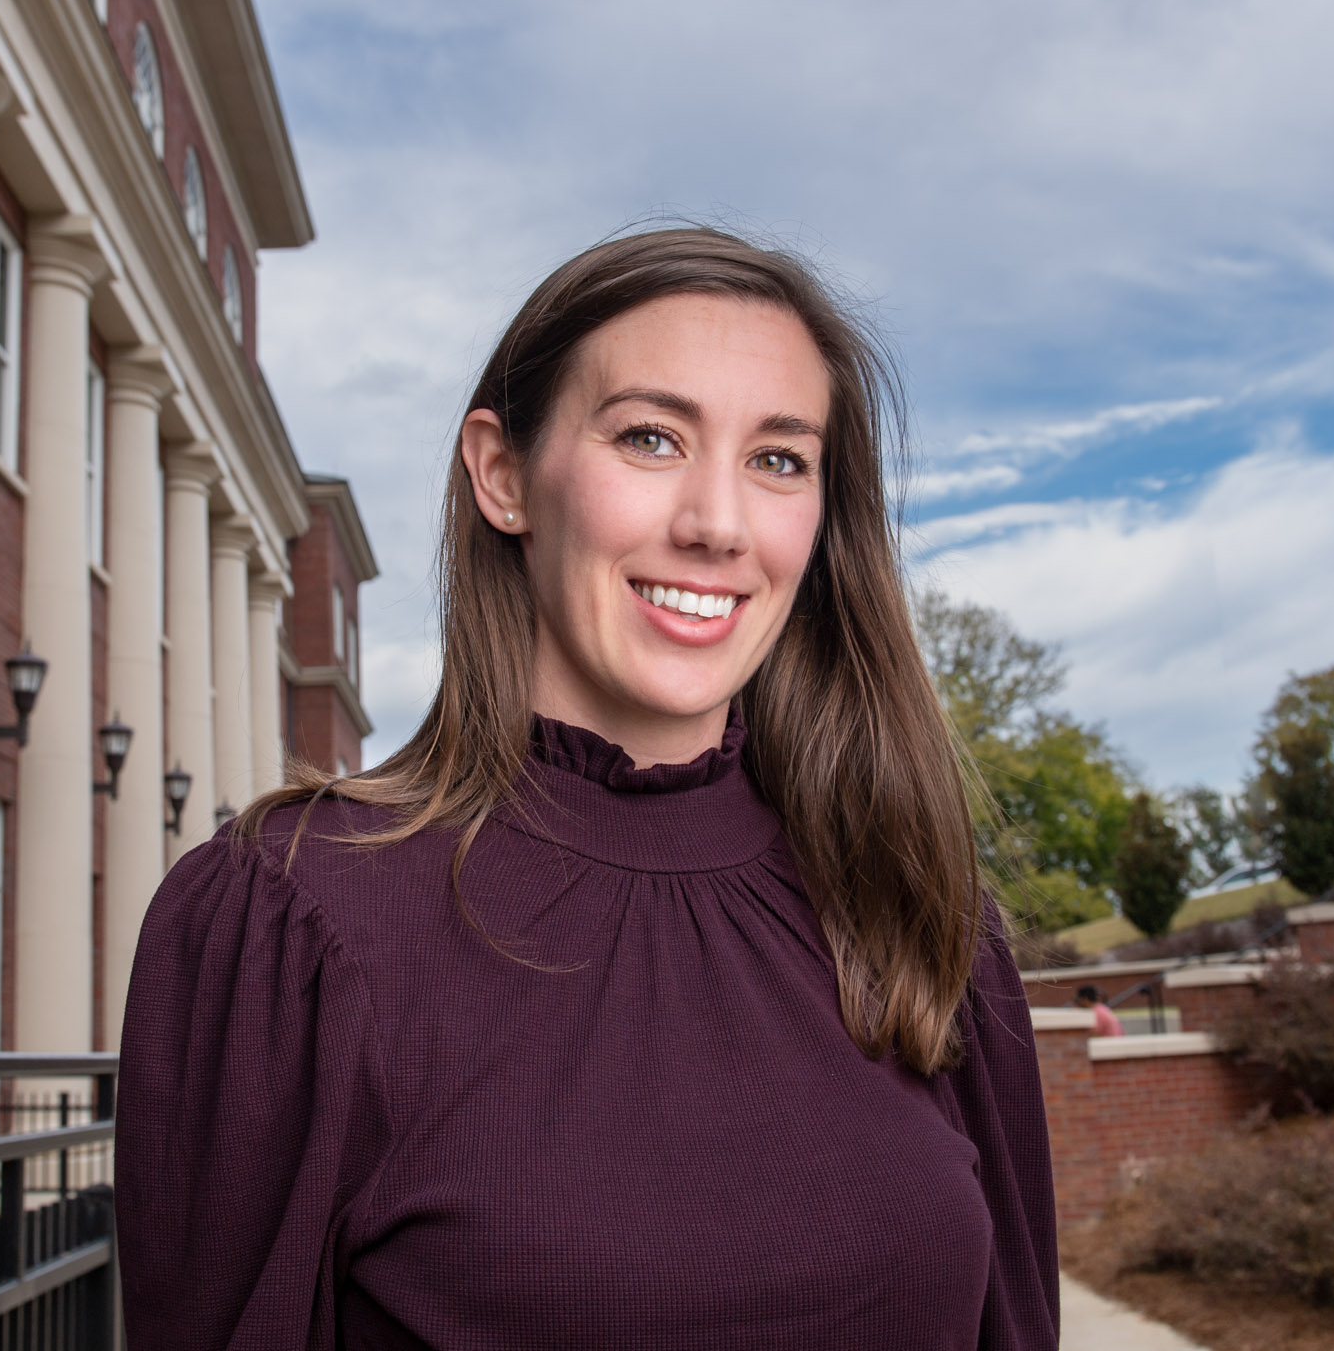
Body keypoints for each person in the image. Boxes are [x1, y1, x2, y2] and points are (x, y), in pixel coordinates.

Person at [116, 228, 1058, 1349]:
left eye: (778, 458)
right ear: (503, 474)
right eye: (652, 437)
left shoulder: (925, 922)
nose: (716, 523)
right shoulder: (291, 921)